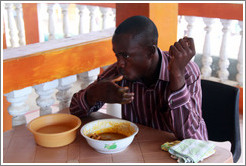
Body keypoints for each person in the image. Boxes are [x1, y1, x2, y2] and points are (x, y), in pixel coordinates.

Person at [69, 15, 208, 141]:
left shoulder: (187, 72)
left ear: (149, 52)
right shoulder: (121, 71)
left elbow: (195, 140)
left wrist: (177, 76)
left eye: (126, 55)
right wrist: (94, 94)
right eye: (117, 55)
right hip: (138, 153)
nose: (120, 63)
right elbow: (74, 111)